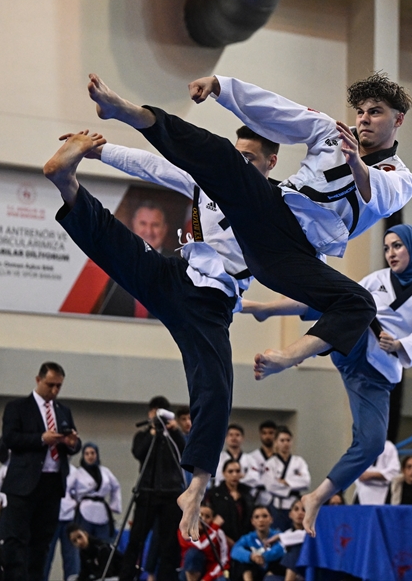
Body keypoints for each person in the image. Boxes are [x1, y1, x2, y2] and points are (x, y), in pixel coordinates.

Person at [86, 71, 412, 379]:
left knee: (359, 303)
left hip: (290, 257)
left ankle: (288, 356)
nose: (364, 119)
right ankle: (126, 110)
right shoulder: (330, 131)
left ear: (398, 119)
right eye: (361, 112)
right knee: (221, 155)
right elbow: (276, 110)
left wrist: (356, 163)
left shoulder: (402, 177)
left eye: (376, 112)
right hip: (272, 211)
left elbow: (380, 197)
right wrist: (222, 86)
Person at [45, 126, 278, 536]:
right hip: (194, 292)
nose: (239, 164)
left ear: (271, 163)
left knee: (118, 249)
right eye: (236, 154)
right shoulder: (212, 175)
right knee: (217, 389)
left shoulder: (279, 205)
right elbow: (155, 165)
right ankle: (198, 487)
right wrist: (100, 150)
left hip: (199, 294)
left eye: (250, 158)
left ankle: (70, 189)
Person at [240, 223, 412, 534]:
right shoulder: (377, 280)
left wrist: (402, 345)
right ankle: (271, 319)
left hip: (377, 374)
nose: (390, 253)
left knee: (372, 444)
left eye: (397, 246)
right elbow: (340, 304)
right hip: (352, 345)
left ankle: (318, 497)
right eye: (387, 247)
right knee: (350, 302)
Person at [0, 362, 80, 581]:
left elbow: (74, 443)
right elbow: (10, 438)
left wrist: (72, 443)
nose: (54, 391)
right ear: (38, 380)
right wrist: (41, 439)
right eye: (50, 385)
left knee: (42, 542)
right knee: (17, 540)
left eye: (58, 387)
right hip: (23, 483)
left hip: (52, 483)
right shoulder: (17, 407)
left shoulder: (63, 410)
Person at [124, 400, 187, 581]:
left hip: (171, 495)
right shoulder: (142, 436)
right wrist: (152, 432)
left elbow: (184, 452)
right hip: (147, 493)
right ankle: (127, 576)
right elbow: (139, 452)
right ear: (150, 413)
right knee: (136, 541)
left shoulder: (174, 436)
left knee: (169, 545)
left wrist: (174, 431)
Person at [68, 443, 121, 541]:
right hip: (84, 511)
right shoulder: (78, 473)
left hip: (102, 511)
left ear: (97, 454)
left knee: (104, 543)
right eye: (87, 454)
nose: (90, 456)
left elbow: (116, 486)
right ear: (83, 456)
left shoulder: (105, 471)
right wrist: (73, 503)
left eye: (92, 453)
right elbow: (66, 489)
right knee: (84, 543)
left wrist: (114, 504)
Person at [264, 428, 310, 531]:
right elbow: (270, 486)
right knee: (278, 534)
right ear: (276, 442)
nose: (285, 443)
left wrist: (286, 482)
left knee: (295, 534)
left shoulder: (299, 461)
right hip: (278, 506)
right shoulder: (270, 463)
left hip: (295, 506)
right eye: (282, 440)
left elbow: (306, 481)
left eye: (288, 440)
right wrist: (294, 482)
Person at [229, 506, 286, 581]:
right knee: (242, 559)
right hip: (255, 572)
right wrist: (251, 556)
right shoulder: (248, 537)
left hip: (272, 571)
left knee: (281, 561)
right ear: (252, 521)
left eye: (265, 516)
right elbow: (235, 550)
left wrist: (263, 557)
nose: (261, 520)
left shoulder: (278, 535)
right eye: (257, 517)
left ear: (271, 519)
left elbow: (281, 549)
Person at [176, 503, 229, 581]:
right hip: (188, 572)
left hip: (210, 572)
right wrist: (214, 527)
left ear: (212, 519)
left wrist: (206, 579)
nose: (203, 519)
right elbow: (200, 546)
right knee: (193, 553)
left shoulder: (219, 533)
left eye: (207, 517)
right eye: (199, 515)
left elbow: (224, 560)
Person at [206, 459, 254, 543]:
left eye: (237, 471)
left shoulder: (247, 493)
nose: (234, 475)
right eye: (230, 471)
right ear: (224, 473)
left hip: (245, 539)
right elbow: (210, 519)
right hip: (221, 539)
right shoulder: (214, 494)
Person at [242, 421, 278, 507]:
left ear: (276, 435)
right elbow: (248, 478)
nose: (268, 436)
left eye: (271, 433)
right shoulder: (251, 457)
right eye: (264, 433)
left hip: (276, 497)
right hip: (256, 496)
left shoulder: (280, 458)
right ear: (260, 435)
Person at [354, 440, 399, 505]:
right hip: (362, 492)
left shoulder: (389, 447)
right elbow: (355, 471)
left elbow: (394, 472)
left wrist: (371, 475)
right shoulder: (359, 447)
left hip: (384, 491)